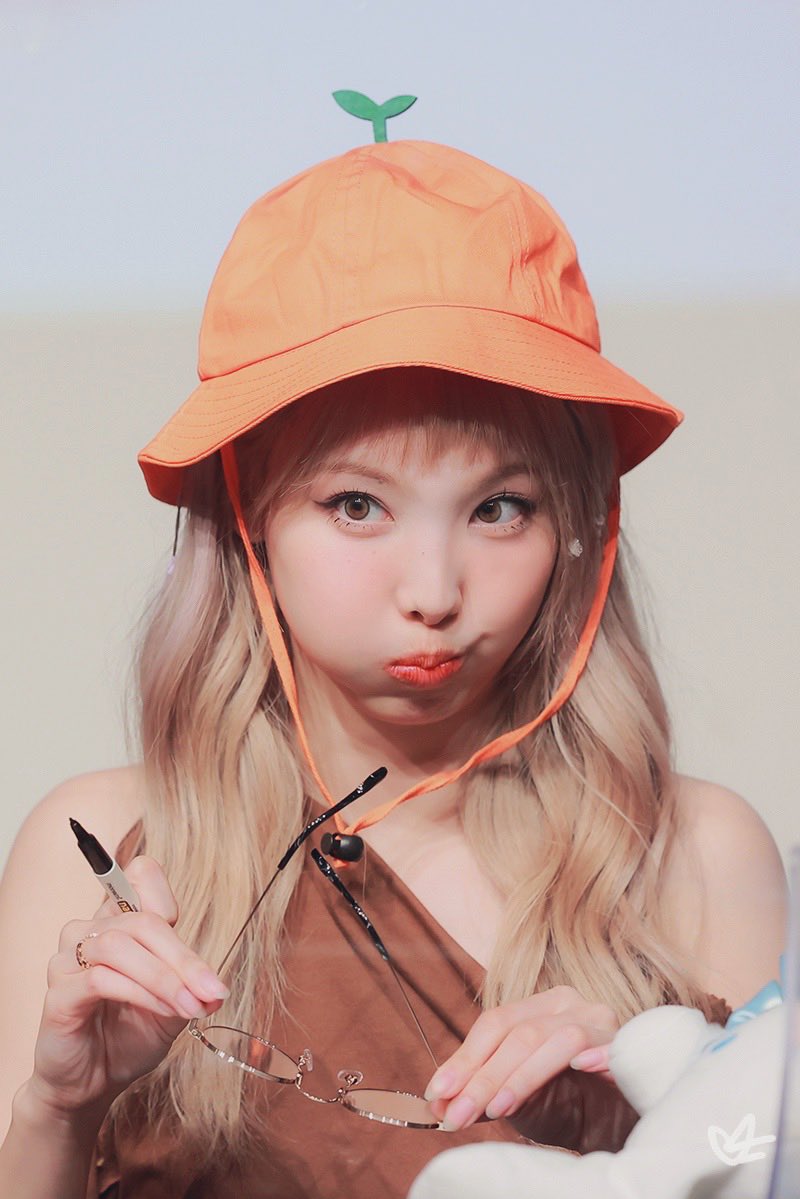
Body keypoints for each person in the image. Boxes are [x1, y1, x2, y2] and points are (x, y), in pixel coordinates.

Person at [0, 137, 788, 1199]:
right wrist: (58, 1109)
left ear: (577, 527)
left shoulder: (691, 855)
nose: (433, 589)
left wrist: (660, 1109)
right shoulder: (107, 850)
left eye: (498, 507)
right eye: (357, 504)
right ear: (248, 515)